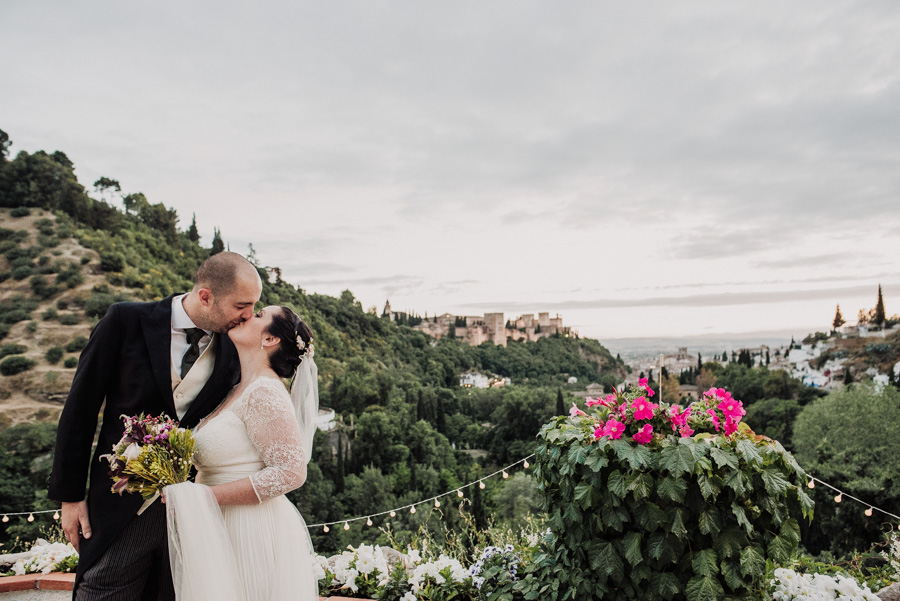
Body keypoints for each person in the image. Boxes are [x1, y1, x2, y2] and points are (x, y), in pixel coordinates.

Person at [48, 252, 263, 601]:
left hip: (189, 514)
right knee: (101, 591)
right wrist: (70, 497)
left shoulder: (234, 348)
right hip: (117, 504)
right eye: (242, 304)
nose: (249, 316)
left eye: (254, 305)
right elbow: (80, 409)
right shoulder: (125, 320)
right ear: (206, 296)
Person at [163, 305, 319, 601]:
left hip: (248, 528)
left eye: (259, 315)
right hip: (216, 524)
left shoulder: (265, 392)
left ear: (270, 340)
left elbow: (291, 472)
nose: (248, 315)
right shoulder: (235, 388)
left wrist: (203, 498)